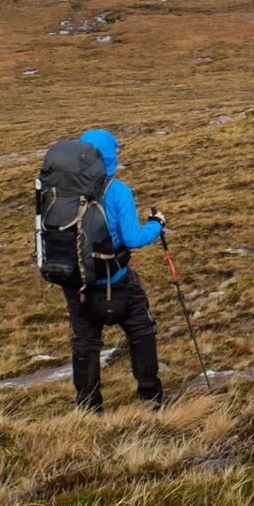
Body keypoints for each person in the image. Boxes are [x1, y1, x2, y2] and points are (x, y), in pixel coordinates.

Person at [66, 128, 168, 411]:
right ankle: (150, 397)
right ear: (110, 157)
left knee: (85, 342)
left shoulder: (61, 190)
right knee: (141, 330)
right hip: (116, 279)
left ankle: (88, 407)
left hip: (76, 283)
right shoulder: (118, 190)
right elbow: (133, 238)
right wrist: (156, 224)